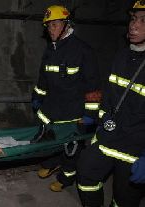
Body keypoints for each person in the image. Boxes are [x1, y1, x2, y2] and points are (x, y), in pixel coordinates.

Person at [77, 1, 145, 206]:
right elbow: (109, 94)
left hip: (135, 148)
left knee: (124, 199)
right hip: (109, 137)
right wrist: (94, 116)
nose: (134, 25)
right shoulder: (122, 54)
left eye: (143, 21)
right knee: (86, 173)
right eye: (133, 19)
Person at [31, 5, 100, 192]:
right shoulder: (50, 50)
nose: (50, 29)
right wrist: (37, 97)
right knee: (49, 141)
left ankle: (66, 177)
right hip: (52, 109)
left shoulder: (83, 51)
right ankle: (52, 163)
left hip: (73, 112)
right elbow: (43, 78)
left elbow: (93, 88)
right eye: (48, 26)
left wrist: (89, 115)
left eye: (54, 25)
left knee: (71, 150)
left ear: (66, 24)